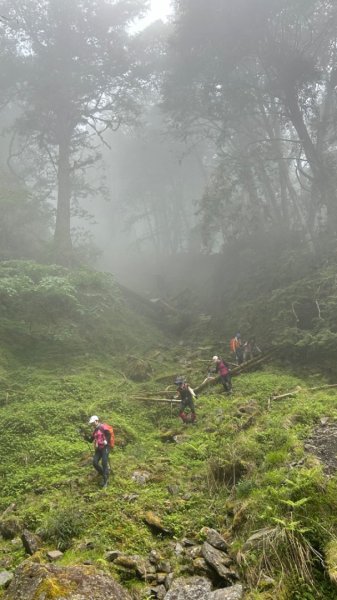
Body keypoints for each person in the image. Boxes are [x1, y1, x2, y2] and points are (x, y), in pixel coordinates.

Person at [86, 415, 114, 488]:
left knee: (104, 463)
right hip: (98, 449)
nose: (92, 424)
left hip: (105, 447)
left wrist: (106, 441)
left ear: (96, 421)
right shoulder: (95, 430)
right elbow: (90, 440)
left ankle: (105, 481)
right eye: (91, 423)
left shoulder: (103, 426)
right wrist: (85, 437)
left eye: (93, 422)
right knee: (95, 462)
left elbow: (109, 434)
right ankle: (104, 474)